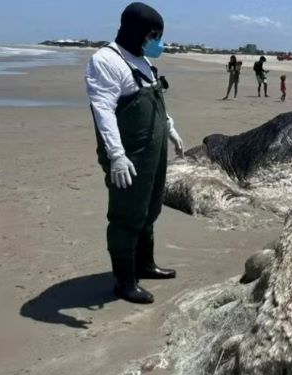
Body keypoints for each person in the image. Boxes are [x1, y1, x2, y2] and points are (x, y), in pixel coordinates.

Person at [85, 2, 184, 304]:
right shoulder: (106, 60)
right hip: (129, 156)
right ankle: (124, 282)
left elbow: (155, 100)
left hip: (153, 153)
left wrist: (170, 129)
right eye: (154, 35)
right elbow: (102, 108)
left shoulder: (142, 61)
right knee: (127, 215)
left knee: (150, 209)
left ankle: (145, 264)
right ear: (138, 32)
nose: (158, 42)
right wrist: (116, 154)